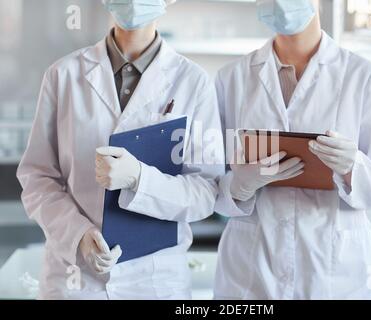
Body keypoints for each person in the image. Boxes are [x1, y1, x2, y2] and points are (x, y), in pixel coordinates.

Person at [17, 0, 224, 300]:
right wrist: (79, 235)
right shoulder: (62, 75)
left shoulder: (193, 83)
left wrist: (141, 180)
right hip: (75, 280)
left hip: (155, 281)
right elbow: (38, 178)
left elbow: (206, 191)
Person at [214, 0, 371, 300]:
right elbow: (207, 187)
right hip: (252, 274)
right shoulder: (231, 78)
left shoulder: (361, 75)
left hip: (335, 274)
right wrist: (238, 186)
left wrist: (352, 166)